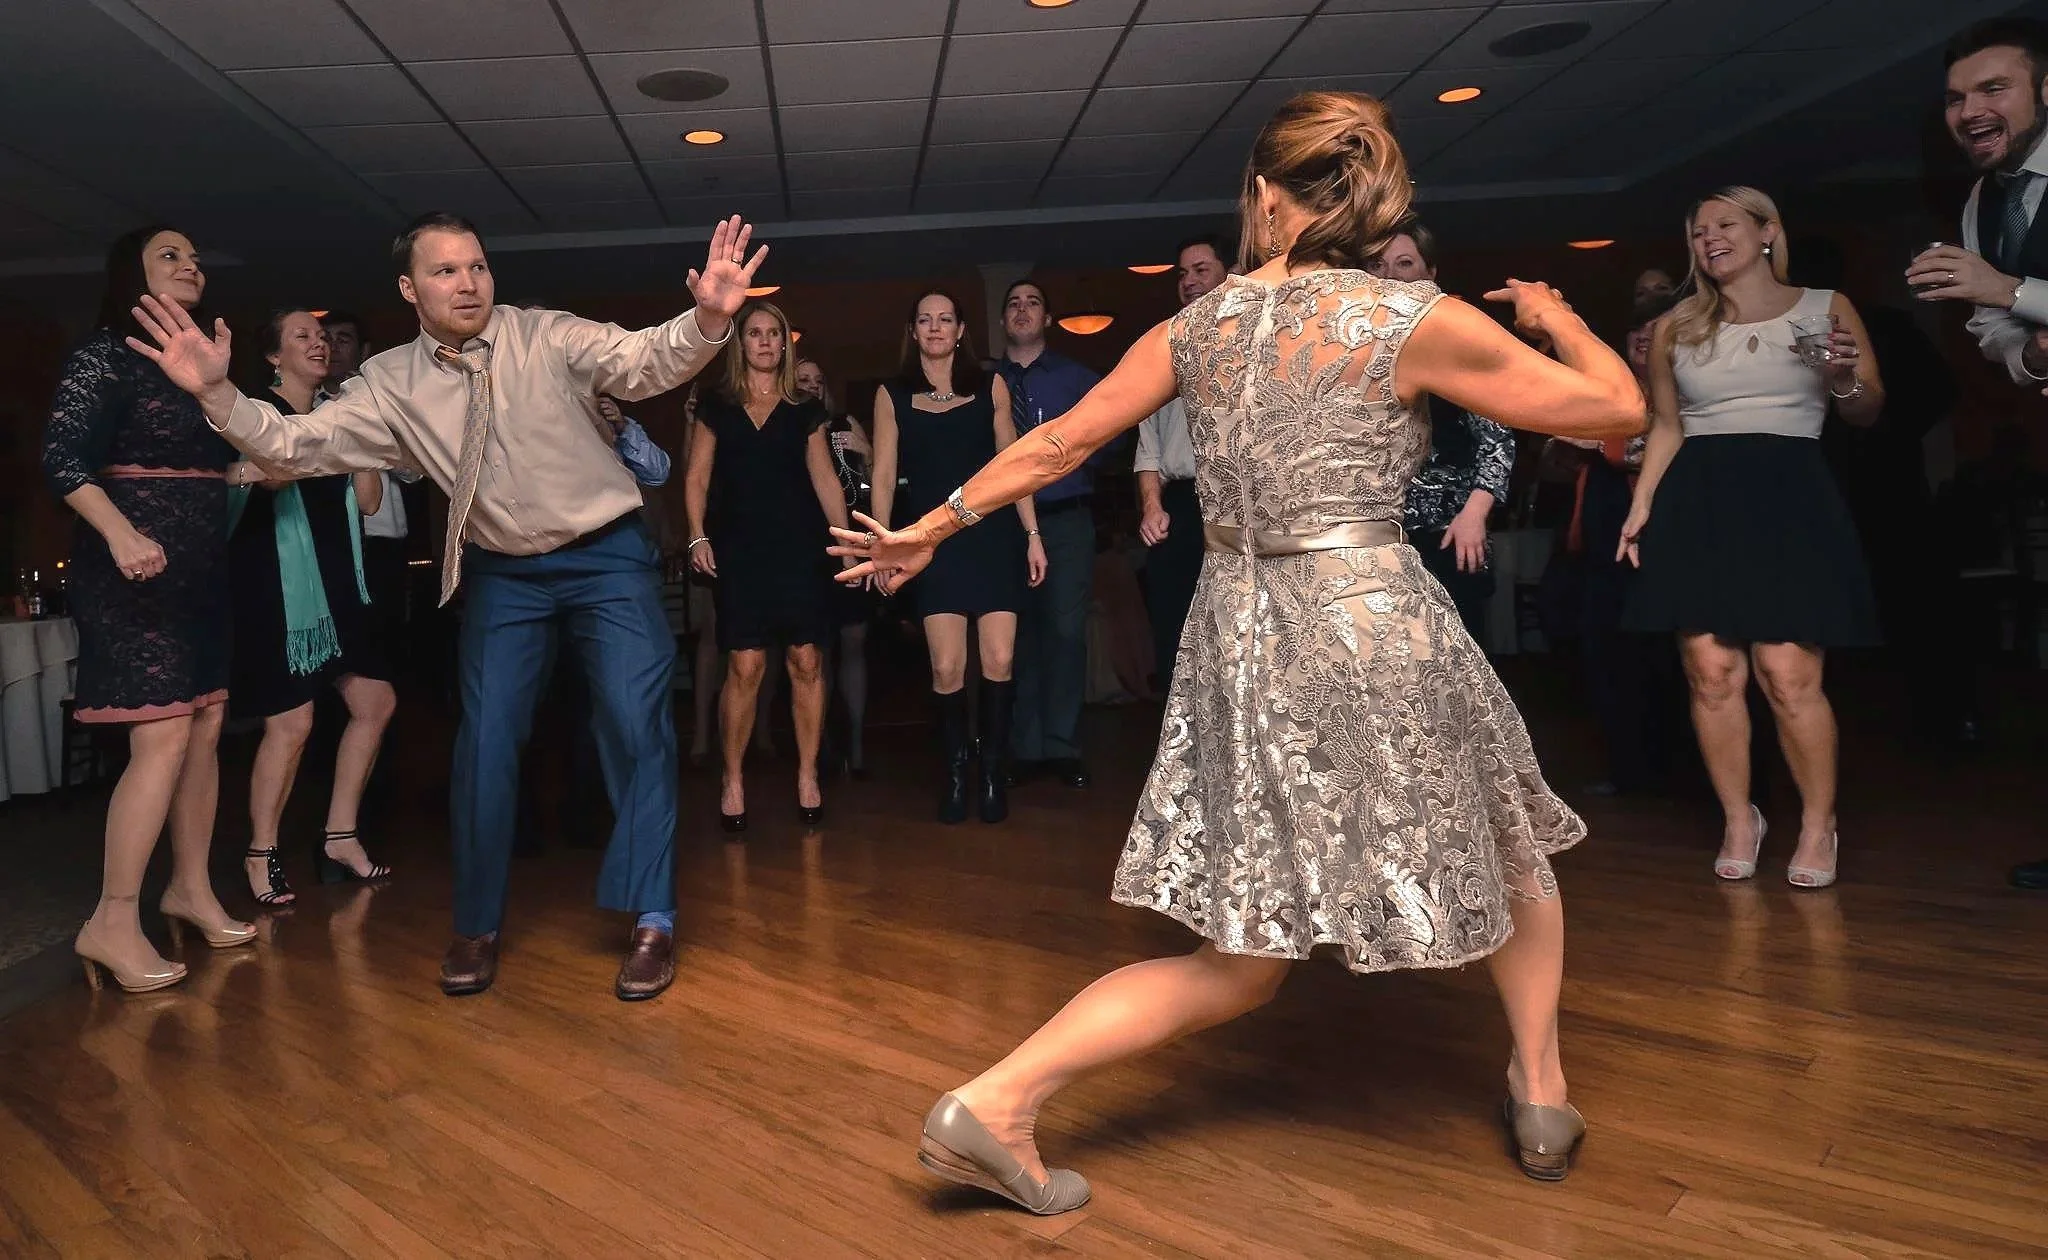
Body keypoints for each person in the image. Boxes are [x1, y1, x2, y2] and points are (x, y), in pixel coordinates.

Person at [833, 90, 1644, 1209]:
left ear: (1261, 198)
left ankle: (1000, 1096)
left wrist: (925, 527)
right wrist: (1553, 315)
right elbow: (1612, 411)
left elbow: (1058, 441)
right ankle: (1541, 1086)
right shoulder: (1408, 318)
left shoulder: (1192, 327)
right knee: (1503, 843)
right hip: (1368, 615)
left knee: (1241, 954)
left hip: (1240, 633)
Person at [127, 211, 763, 1001]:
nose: (468, 283)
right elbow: (296, 445)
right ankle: (479, 923)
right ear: (409, 288)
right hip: (503, 575)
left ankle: (653, 919)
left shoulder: (547, 335)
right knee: (485, 743)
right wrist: (218, 392)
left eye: (478, 267)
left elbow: (642, 361)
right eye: (446, 271)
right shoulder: (390, 382)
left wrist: (706, 319)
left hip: (604, 555)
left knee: (637, 726)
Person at [1620, 187, 1883, 891]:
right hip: (1699, 498)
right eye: (1698, 231)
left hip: (1789, 494)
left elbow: (1865, 409)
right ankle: (1741, 818)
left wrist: (1842, 378)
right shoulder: (1677, 324)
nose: (1710, 239)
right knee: (1711, 674)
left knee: (1788, 674)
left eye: (1725, 225)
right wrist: (1641, 503)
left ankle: (1818, 823)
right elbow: (1666, 426)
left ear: (1767, 231)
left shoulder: (1824, 307)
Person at [43, 225, 256, 993]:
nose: (191, 263)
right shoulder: (103, 354)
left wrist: (237, 455)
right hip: (130, 565)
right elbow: (62, 460)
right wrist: (122, 532)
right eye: (170, 255)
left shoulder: (199, 366)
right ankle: (111, 919)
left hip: (199, 569)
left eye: (196, 255)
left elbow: (215, 460)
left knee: (203, 727)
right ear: (128, 275)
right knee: (162, 734)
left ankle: (190, 889)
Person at [226, 309, 397, 909]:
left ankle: (340, 835)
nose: (319, 344)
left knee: (375, 700)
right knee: (291, 723)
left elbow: (371, 504)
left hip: (337, 577)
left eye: (322, 337)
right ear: (274, 356)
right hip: (279, 583)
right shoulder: (255, 412)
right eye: (303, 336)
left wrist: (366, 436)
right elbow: (265, 477)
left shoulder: (337, 415)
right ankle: (260, 852)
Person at [870, 291, 1046, 823]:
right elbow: (882, 473)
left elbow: (1015, 464)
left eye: (945, 319)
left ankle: (992, 774)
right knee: (947, 667)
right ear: (913, 330)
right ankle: (954, 771)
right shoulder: (892, 393)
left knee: (999, 660)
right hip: (931, 545)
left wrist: (1032, 533)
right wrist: (883, 547)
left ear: (961, 329)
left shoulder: (987, 384)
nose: (935, 327)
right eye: (924, 319)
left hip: (992, 539)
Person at [683, 302, 848, 832]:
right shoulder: (717, 403)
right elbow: (696, 479)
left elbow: (824, 479)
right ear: (740, 343)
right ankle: (732, 778)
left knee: (806, 661)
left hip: (799, 548)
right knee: (745, 667)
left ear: (784, 343)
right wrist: (696, 535)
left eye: (773, 334)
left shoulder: (804, 408)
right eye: (754, 333)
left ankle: (807, 775)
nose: (764, 342)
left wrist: (846, 543)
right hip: (739, 550)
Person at [1370, 222, 1516, 644]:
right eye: (1378, 265)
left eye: (1404, 263)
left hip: (1450, 531)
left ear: (1430, 274)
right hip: (1381, 537)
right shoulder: (1357, 346)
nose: (1391, 275)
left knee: (1461, 663)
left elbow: (1497, 440)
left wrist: (1474, 515)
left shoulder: (1457, 342)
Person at [998, 280, 1103, 790]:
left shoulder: (1078, 379)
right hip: (1002, 525)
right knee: (1013, 635)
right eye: (1013, 304)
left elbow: (1102, 443)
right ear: (1002, 320)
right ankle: (1022, 747)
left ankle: (1061, 746)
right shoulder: (984, 383)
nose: (1022, 310)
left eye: (1033, 303)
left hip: (1065, 520)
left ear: (1048, 317)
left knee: (1064, 632)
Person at [1911, 18, 2048, 385]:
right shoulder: (1981, 197)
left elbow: (1998, 293)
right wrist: (2031, 357)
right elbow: (1989, 324)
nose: (1969, 112)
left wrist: (2007, 289)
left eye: (1993, 89)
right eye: (1955, 99)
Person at [1135, 234, 1232, 692]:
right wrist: (1152, 506)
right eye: (1182, 273)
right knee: (1173, 625)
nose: (1189, 281)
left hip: (1234, 504)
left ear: (1226, 275)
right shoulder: (1163, 346)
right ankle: (1179, 746)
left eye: (1201, 270)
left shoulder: (1248, 344)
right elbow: (1148, 445)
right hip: (1177, 506)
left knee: (1230, 627)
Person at [797, 357, 876, 778]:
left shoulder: (844, 422)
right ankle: (822, 744)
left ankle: (858, 742)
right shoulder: (786, 423)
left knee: (855, 640)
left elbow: (879, 477)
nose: (811, 386)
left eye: (818, 380)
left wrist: (867, 451)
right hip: (805, 546)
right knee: (816, 648)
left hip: (853, 540)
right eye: (803, 380)